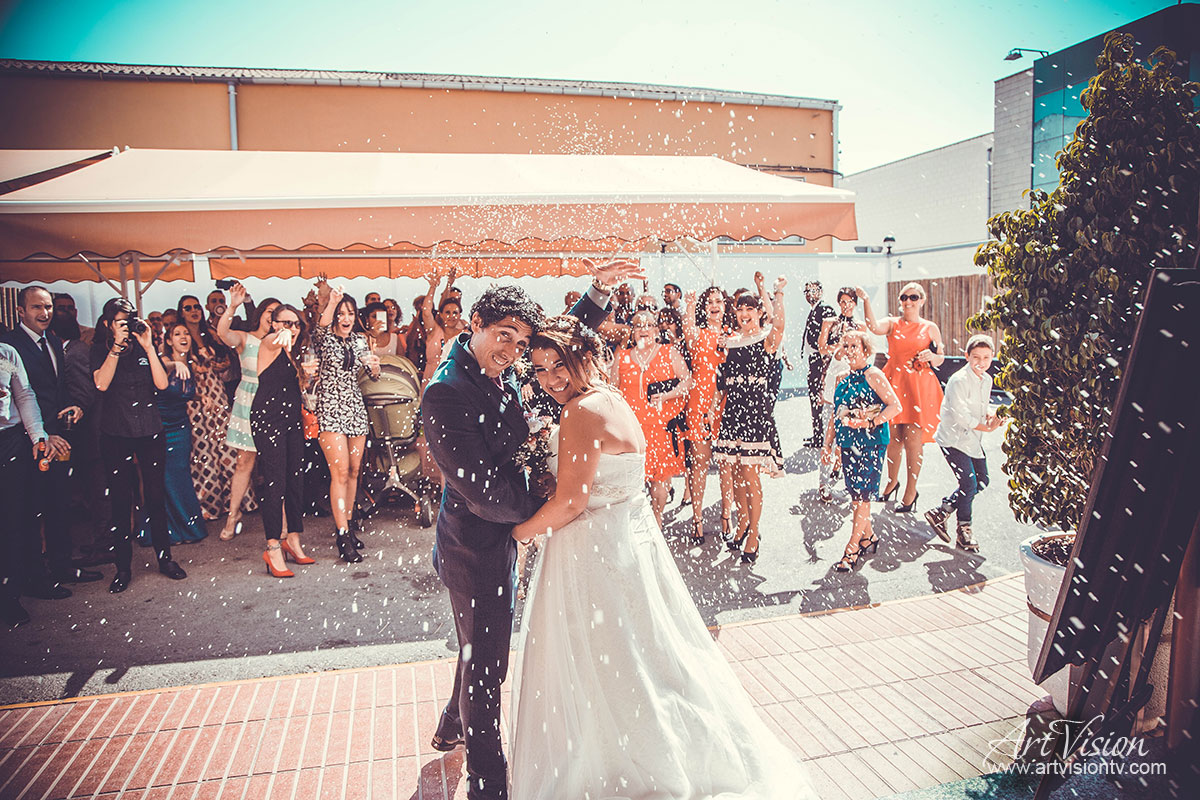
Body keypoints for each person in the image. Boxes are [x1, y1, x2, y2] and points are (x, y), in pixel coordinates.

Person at [509, 316, 816, 800]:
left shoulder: (579, 412)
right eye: (540, 369)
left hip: (595, 555)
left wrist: (518, 532)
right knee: (647, 657)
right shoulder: (611, 399)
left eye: (557, 365)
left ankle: (625, 763)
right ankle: (678, 749)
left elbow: (571, 502)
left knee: (609, 667)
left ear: (582, 357)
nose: (549, 379)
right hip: (629, 547)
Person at [420, 261, 628, 800]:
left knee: (475, 648)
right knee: (489, 668)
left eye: (519, 342)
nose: (513, 351)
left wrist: (599, 292)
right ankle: (487, 784)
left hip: (505, 535)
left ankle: (450, 723)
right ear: (475, 323)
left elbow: (556, 346)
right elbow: (484, 492)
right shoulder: (447, 393)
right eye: (503, 336)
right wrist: (548, 507)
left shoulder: (505, 365)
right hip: (476, 546)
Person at [2, 287, 101, 590]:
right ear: (21, 312)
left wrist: (75, 407)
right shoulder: (10, 345)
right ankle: (36, 575)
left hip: (59, 438)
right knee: (32, 508)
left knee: (59, 502)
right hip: (29, 441)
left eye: (48, 307)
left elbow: (56, 389)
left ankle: (62, 566)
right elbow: (21, 398)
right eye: (36, 308)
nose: (44, 313)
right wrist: (46, 433)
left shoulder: (54, 341)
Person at [90, 297, 187, 593]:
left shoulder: (146, 347)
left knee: (156, 497)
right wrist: (117, 347)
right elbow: (101, 384)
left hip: (150, 430)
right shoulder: (99, 349)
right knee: (121, 501)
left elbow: (161, 384)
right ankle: (122, 567)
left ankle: (164, 558)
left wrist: (147, 347)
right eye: (120, 321)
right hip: (116, 432)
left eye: (129, 320)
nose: (126, 326)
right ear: (108, 324)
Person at [713, 279, 788, 564]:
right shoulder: (730, 341)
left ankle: (754, 532)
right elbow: (721, 383)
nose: (744, 313)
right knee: (733, 474)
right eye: (740, 308)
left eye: (750, 308)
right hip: (733, 414)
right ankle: (743, 522)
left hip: (755, 416)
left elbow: (779, 326)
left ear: (759, 311)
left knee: (750, 475)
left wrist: (777, 293)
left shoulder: (766, 338)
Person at [861, 282, 945, 512]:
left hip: (918, 386)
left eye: (914, 297)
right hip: (895, 382)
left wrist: (932, 356)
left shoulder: (930, 327)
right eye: (904, 297)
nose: (908, 301)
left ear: (922, 300)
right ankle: (891, 482)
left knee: (914, 441)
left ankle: (911, 490)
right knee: (892, 439)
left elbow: (941, 358)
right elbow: (873, 327)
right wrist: (867, 300)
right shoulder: (893, 323)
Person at [822, 330, 902, 572]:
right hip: (848, 444)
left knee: (862, 498)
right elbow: (835, 416)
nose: (849, 350)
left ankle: (852, 549)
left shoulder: (874, 375)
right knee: (856, 496)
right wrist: (828, 445)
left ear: (866, 349)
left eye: (854, 345)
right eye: (845, 345)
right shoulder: (841, 378)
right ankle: (868, 537)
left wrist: (870, 422)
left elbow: (894, 406)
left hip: (870, 443)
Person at [312, 283, 380, 562]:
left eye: (350, 313)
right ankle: (341, 534)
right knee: (338, 472)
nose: (346, 318)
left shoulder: (359, 341)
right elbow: (320, 325)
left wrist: (375, 368)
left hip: (354, 406)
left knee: (353, 471)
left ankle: (350, 525)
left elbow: (371, 374)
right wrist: (332, 302)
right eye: (342, 313)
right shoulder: (324, 337)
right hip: (329, 406)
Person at [0, 342, 62, 626]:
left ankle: (10, 596)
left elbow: (24, 395)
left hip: (10, 439)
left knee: (14, 519)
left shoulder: (7, 353)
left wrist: (38, 435)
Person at [610, 310, 690, 529]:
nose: (643, 329)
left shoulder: (668, 352)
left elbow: (687, 381)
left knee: (660, 479)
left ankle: (657, 518)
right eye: (638, 326)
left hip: (660, 428)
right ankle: (635, 521)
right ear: (633, 332)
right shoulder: (622, 356)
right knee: (632, 480)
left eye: (648, 325)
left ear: (656, 330)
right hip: (631, 429)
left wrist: (667, 395)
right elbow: (613, 389)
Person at [924, 334, 1003, 552]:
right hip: (952, 440)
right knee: (968, 484)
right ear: (966, 356)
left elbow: (979, 406)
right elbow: (962, 416)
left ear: (992, 358)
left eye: (986, 357)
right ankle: (964, 530)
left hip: (972, 440)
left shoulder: (987, 380)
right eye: (976, 357)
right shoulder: (958, 381)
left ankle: (942, 510)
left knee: (982, 481)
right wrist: (987, 427)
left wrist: (990, 414)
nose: (981, 362)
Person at [253, 304, 315, 577]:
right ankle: (272, 546)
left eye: (296, 324)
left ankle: (294, 539)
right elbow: (272, 339)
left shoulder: (294, 354)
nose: (292, 328)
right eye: (285, 322)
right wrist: (281, 334)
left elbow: (296, 388)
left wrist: (307, 375)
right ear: (273, 323)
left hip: (291, 419)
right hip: (268, 419)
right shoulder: (269, 344)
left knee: (294, 481)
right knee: (274, 483)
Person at [215, 285, 276, 540]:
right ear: (260, 313)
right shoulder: (244, 338)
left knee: (274, 465)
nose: (273, 317)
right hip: (249, 401)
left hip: (273, 402)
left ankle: (279, 521)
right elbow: (222, 334)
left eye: (278, 314)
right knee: (244, 462)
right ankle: (233, 515)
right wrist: (232, 306)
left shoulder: (280, 340)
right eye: (270, 312)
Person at [178, 295, 240, 521]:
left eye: (196, 307)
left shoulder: (210, 333)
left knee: (226, 448)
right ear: (181, 312)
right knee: (204, 452)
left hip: (217, 391)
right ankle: (210, 505)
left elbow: (227, 360)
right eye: (188, 308)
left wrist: (221, 366)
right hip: (196, 399)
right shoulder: (181, 335)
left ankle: (233, 501)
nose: (194, 311)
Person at [680, 286, 731, 542]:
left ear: (725, 305)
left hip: (726, 405)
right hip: (699, 404)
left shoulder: (733, 335)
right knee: (699, 463)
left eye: (718, 301)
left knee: (726, 464)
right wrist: (689, 304)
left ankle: (726, 517)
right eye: (709, 301)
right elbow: (687, 331)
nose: (714, 305)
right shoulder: (698, 334)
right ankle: (697, 518)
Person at [155, 322, 207, 543]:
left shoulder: (191, 364)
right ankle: (168, 529)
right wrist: (174, 363)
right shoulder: (165, 362)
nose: (183, 337)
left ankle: (187, 527)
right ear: (169, 341)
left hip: (181, 425)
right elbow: (162, 376)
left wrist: (202, 398)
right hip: (162, 426)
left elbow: (184, 392)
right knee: (165, 477)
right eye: (177, 334)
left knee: (181, 473)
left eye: (186, 333)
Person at [801, 280, 838, 448]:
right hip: (813, 360)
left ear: (821, 292)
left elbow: (831, 334)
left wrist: (825, 359)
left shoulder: (825, 309)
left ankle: (821, 437)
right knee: (814, 397)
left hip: (821, 360)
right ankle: (817, 435)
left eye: (813, 291)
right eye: (807, 291)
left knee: (820, 397)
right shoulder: (814, 309)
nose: (810, 294)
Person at [817, 286, 868, 357]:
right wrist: (839, 346)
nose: (847, 305)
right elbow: (822, 349)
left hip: (851, 364)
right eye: (843, 302)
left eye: (850, 302)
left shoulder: (860, 326)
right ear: (839, 303)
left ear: (855, 303)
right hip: (832, 364)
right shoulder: (828, 322)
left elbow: (861, 351)